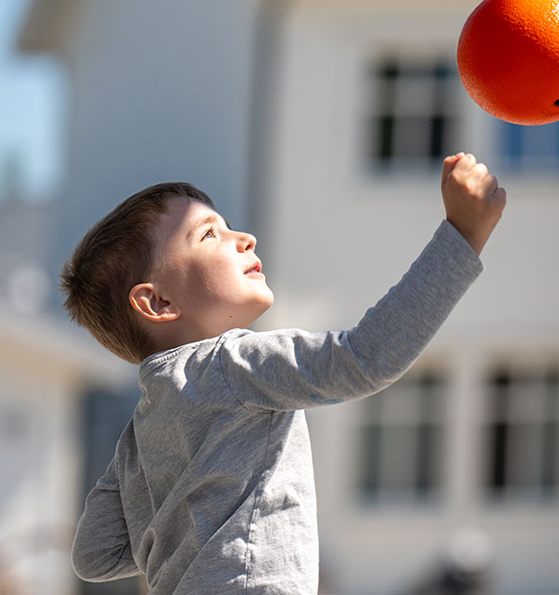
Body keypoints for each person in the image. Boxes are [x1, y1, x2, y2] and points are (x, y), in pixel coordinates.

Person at [62, 152, 506, 594]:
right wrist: (461, 237)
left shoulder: (144, 431)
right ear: (158, 303)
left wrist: (179, 536)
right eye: (209, 234)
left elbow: (94, 555)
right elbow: (366, 358)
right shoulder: (234, 362)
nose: (246, 238)